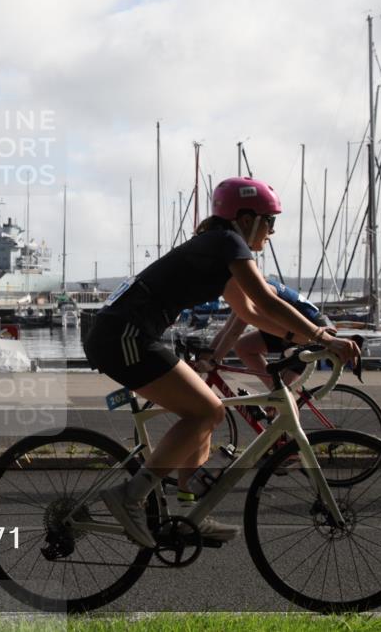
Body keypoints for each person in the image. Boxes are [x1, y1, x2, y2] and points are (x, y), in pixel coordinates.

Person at [83, 177, 360, 548]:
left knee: (206, 412)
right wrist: (323, 336)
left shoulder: (217, 248)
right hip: (124, 336)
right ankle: (130, 496)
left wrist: (299, 342)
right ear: (246, 219)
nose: (272, 231)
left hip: (125, 334)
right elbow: (265, 300)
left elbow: (248, 311)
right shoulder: (228, 243)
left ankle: (187, 514)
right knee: (206, 412)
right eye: (270, 221)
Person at [203, 278, 335, 385]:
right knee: (243, 347)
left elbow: (234, 332)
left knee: (282, 396)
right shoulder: (248, 288)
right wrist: (207, 355)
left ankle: (278, 397)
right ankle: (275, 392)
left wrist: (213, 362)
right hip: (291, 330)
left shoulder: (255, 293)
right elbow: (227, 329)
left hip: (308, 331)